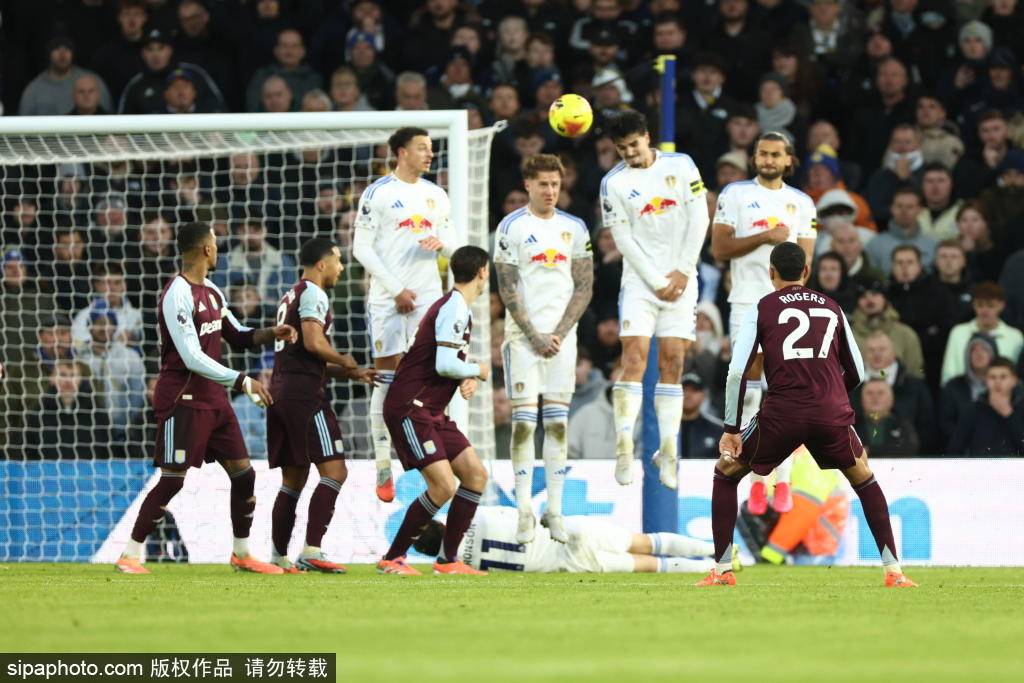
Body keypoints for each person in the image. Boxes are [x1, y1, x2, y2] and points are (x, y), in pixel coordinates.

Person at [703, 242, 916, 588]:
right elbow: (858, 371)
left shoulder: (762, 307)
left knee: (725, 473)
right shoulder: (832, 307)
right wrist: (829, 398)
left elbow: (737, 372)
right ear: (806, 271)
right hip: (830, 411)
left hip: (782, 414)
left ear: (771, 273)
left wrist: (731, 427)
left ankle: (723, 571)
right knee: (863, 477)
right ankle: (894, 571)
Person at [114, 223, 297, 575]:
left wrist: (270, 332)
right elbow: (191, 357)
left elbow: (238, 334)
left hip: (215, 400)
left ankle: (241, 554)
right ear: (206, 250)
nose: (218, 248)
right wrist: (242, 381)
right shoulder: (176, 294)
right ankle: (130, 554)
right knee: (173, 478)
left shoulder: (211, 290)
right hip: (182, 398)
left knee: (244, 475)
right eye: (215, 243)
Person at [599, 110, 710, 490]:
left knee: (673, 362)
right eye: (622, 148)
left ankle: (668, 451)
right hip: (640, 283)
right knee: (633, 358)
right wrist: (656, 280)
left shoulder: (681, 165)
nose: (630, 152)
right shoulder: (613, 183)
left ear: (647, 137)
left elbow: (699, 218)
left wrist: (683, 270)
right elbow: (623, 239)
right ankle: (624, 448)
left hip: (682, 279)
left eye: (634, 144)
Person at [711, 131, 817, 516]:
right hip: (745, 300)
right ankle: (758, 478)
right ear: (754, 157)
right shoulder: (734, 195)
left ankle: (782, 478)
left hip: (786, 305)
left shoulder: (803, 203)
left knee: (783, 391)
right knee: (750, 388)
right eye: (762, 153)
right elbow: (719, 248)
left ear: (789, 159)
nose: (768, 160)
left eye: (775, 154)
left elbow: (805, 264)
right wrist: (764, 237)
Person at [493, 154, 593, 543]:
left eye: (555, 184)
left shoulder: (575, 227)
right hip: (523, 339)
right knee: (522, 423)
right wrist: (534, 334)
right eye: (543, 184)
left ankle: (555, 510)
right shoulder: (511, 227)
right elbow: (507, 287)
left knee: (557, 423)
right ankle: (523, 510)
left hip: (562, 340)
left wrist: (560, 332)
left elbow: (584, 285)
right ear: (528, 185)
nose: (550, 191)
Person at [353, 127, 456, 503]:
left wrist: (443, 245)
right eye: (422, 148)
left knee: (436, 372)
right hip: (388, 297)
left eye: (431, 148)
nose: (429, 154)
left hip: (428, 295)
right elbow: (361, 248)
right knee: (387, 375)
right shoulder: (378, 193)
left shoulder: (436, 195)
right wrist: (396, 289)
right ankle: (383, 463)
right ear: (401, 152)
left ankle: (436, 451)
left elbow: (455, 244)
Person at [375, 246, 491, 577]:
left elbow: (445, 363)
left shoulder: (455, 307)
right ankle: (392, 558)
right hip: (411, 407)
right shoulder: (454, 308)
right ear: (482, 272)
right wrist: (477, 370)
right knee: (443, 486)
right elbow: (444, 364)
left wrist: (465, 376)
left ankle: (448, 560)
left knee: (475, 475)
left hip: (432, 411)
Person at [267, 238, 378, 574]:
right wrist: (344, 358)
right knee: (335, 471)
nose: (341, 267)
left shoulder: (291, 295)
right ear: (321, 264)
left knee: (294, 478)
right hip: (305, 397)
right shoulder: (314, 293)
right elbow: (315, 344)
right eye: (338, 260)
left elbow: (303, 355)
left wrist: (352, 373)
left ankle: (278, 557)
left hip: (282, 390)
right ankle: (312, 550)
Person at [411, 506, 720, 574]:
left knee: (648, 565)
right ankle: (719, 551)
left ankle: (710, 569)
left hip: (567, 563)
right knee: (645, 542)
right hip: (566, 534)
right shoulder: (474, 516)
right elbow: (522, 516)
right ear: (439, 522)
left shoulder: (457, 566)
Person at [941, 283, 1024, 385]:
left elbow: (1017, 376)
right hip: (962, 391)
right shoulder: (958, 333)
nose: (985, 311)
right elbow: (949, 373)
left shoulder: (1015, 337)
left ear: (1001, 305)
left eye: (990, 305)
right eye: (980, 305)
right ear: (973, 305)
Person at [948, 358, 1024, 456]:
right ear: (986, 380)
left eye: (1003, 377)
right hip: (980, 465)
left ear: (1014, 380)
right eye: (992, 377)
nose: (997, 382)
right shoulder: (973, 409)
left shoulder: (1021, 408)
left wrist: (1009, 414)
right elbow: (955, 449)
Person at [679, 373, 724, 460]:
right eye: (684, 390)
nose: (688, 394)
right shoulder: (665, 428)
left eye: (694, 390)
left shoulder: (719, 430)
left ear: (703, 396)